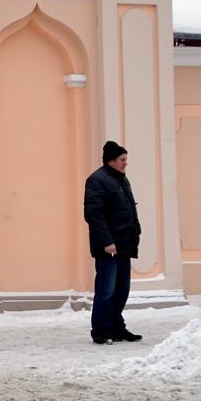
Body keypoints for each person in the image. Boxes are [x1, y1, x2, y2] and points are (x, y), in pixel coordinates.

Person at [83, 141, 142, 344]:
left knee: (121, 290)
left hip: (124, 245)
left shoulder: (120, 180)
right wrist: (107, 241)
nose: (126, 163)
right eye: (122, 160)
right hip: (109, 247)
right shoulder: (97, 180)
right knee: (106, 290)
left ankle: (116, 326)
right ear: (111, 161)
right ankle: (101, 329)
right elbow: (94, 215)